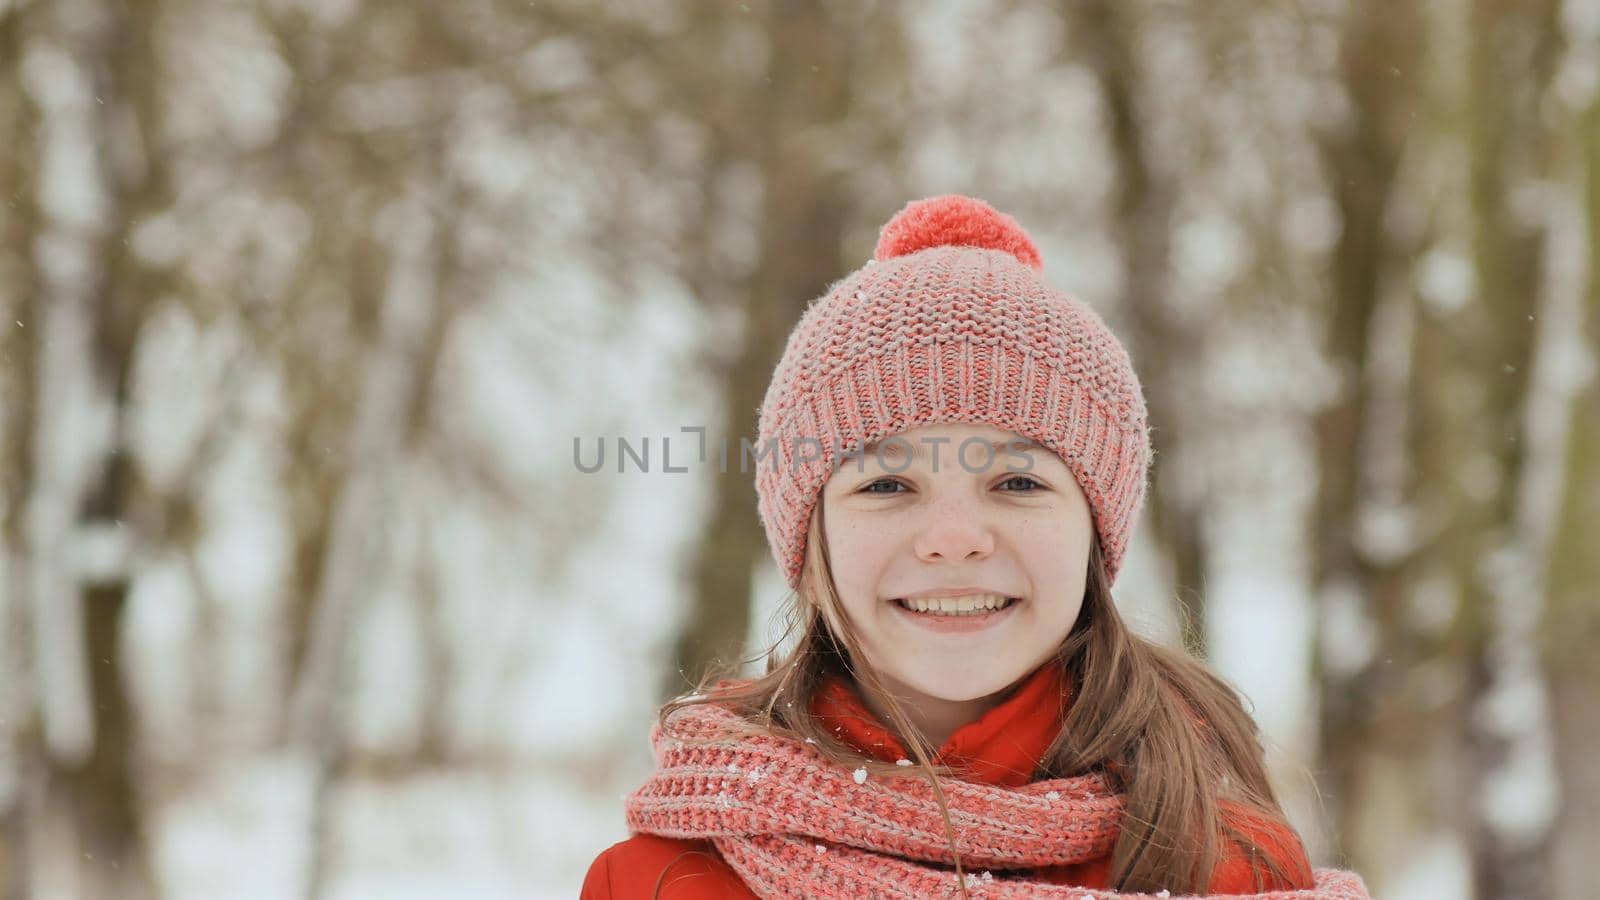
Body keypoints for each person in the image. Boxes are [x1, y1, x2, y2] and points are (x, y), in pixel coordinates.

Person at [581, 195, 1371, 898]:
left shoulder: (1225, 868)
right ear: (808, 541)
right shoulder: (659, 880)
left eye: (1018, 484)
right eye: (886, 486)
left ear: (1095, 537)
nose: (954, 540)